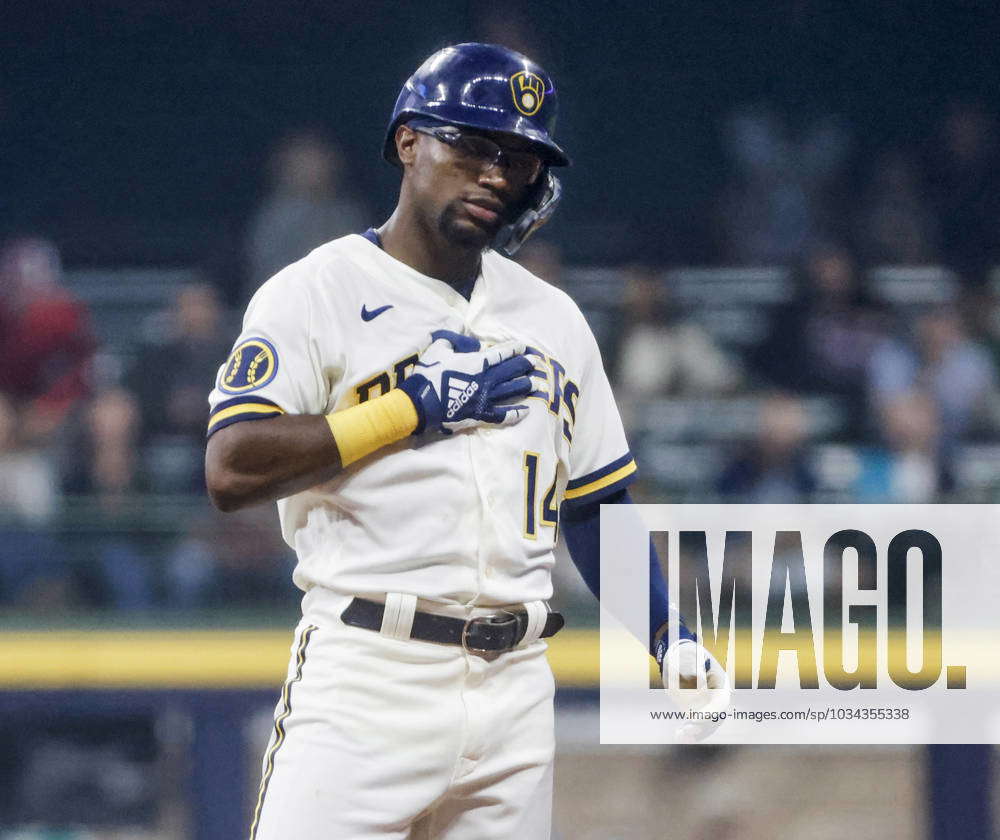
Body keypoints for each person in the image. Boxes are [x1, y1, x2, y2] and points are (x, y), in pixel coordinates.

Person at [205, 43, 728, 840]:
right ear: (409, 141)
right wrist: (405, 410)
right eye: (472, 145)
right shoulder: (317, 291)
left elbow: (593, 504)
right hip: (368, 675)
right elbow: (231, 467)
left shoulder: (553, 318)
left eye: (518, 159)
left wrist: (666, 632)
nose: (495, 173)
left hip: (515, 688)